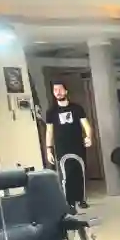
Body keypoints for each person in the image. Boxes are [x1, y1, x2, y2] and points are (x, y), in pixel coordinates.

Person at [45, 82, 93, 212]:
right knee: (66, 176)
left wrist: (89, 137)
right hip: (62, 148)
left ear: (66, 91)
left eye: (60, 89)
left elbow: (87, 126)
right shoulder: (51, 112)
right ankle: (69, 202)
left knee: (80, 173)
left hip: (78, 146)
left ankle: (81, 199)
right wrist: (49, 149)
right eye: (55, 90)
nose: (58, 92)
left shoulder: (77, 108)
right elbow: (49, 131)